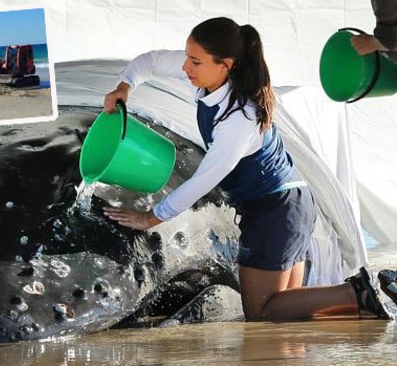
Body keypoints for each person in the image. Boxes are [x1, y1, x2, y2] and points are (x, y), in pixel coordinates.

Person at [102, 17, 390, 321]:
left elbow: (207, 177)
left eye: (195, 62)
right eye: (187, 57)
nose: (186, 67)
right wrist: (124, 86)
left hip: (275, 210)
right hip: (291, 204)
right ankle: (360, 304)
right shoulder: (210, 73)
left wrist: (151, 217)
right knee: (288, 314)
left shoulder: (239, 117)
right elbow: (149, 62)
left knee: (262, 312)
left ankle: (355, 292)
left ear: (225, 65)